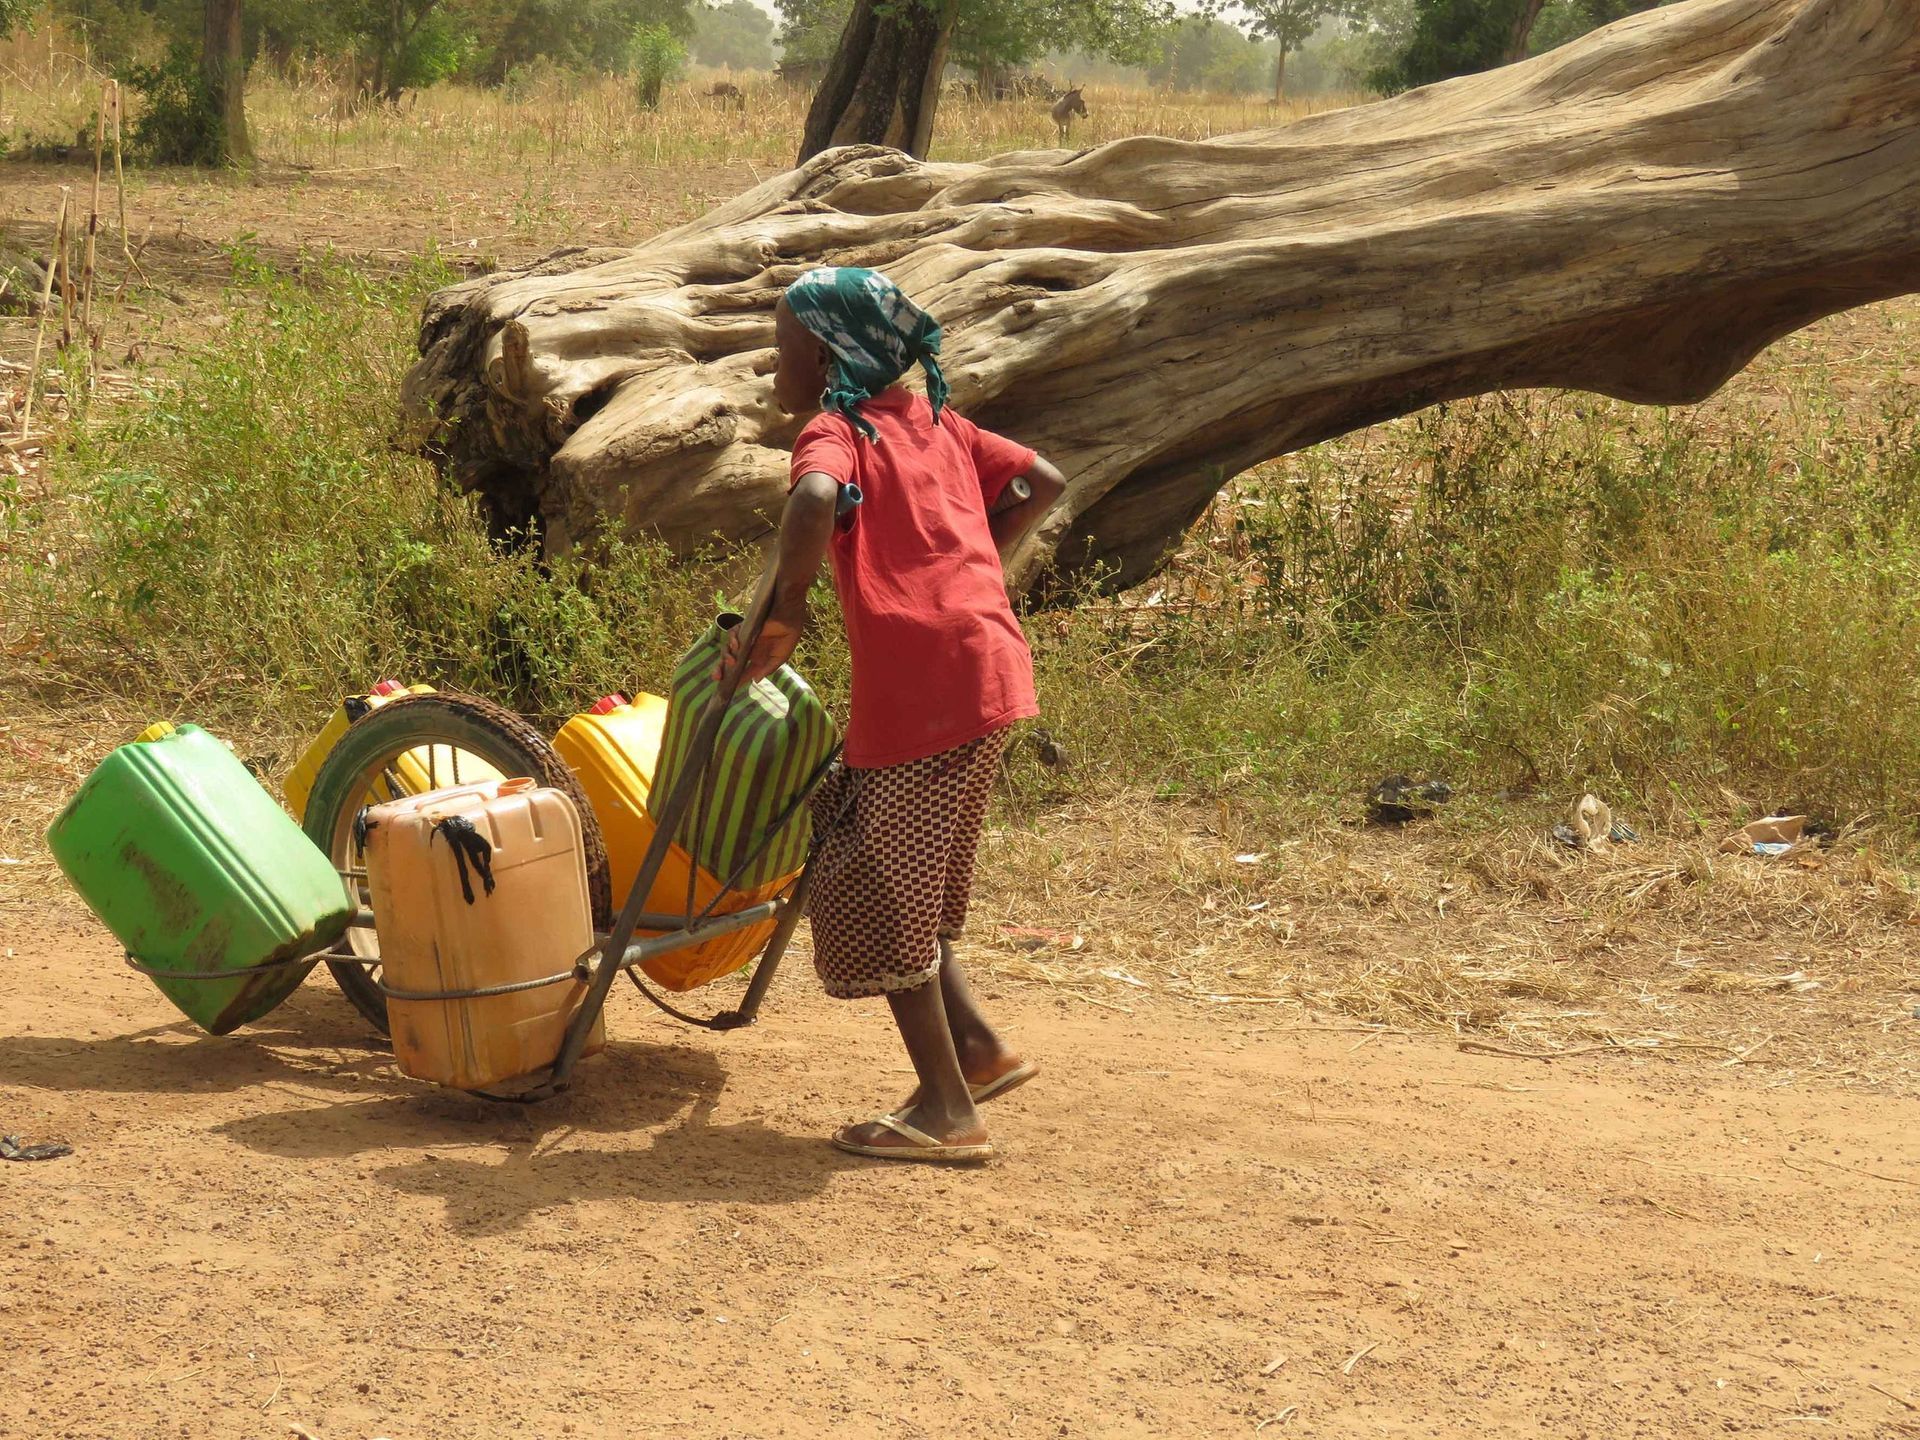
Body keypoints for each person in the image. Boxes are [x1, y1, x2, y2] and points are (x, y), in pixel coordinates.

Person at [724, 265, 1066, 1164]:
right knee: (908, 871)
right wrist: (970, 566)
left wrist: (788, 610)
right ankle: (981, 1051)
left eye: (781, 349)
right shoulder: (937, 423)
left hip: (924, 689)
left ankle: (948, 1113)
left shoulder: (838, 433)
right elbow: (1043, 480)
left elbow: (810, 497)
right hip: (985, 667)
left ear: (830, 353)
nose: (773, 366)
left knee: (877, 885)